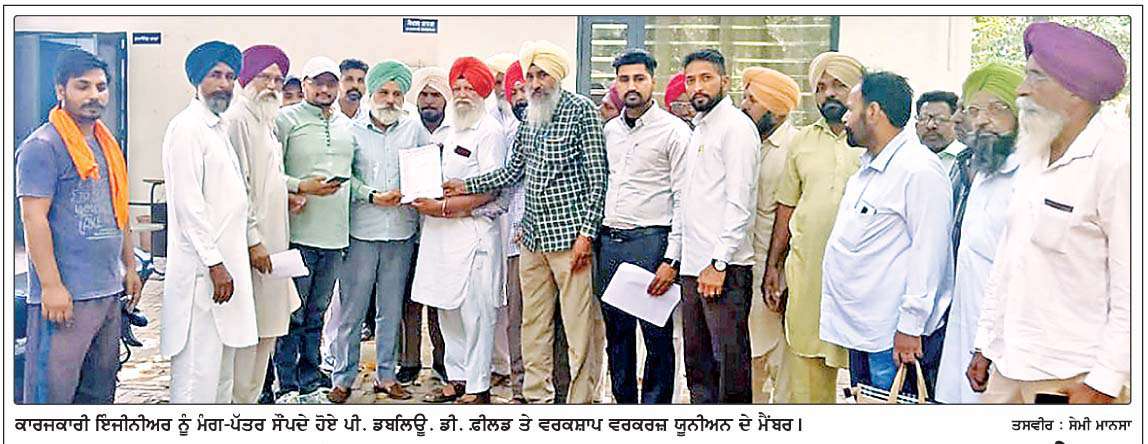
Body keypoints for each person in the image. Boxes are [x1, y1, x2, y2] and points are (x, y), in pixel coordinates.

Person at [969, 22, 1129, 404]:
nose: (1021, 89)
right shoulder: (1036, 149)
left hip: (1072, 377)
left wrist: (1105, 381)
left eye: (1035, 77)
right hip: (1008, 364)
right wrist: (985, 343)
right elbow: (1009, 257)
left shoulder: (1120, 158)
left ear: (1075, 90)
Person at [443, 40, 608, 404]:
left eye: (541, 75)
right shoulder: (531, 116)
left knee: (579, 327)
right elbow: (512, 171)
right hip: (532, 238)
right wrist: (466, 185)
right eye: (530, 76)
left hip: (570, 240)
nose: (534, 83)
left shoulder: (581, 110)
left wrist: (587, 234)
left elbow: (598, 178)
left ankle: (582, 401)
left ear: (558, 77)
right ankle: (536, 397)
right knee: (533, 325)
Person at [17, 48, 141, 404]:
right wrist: (51, 286)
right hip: (66, 298)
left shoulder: (106, 144)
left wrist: (130, 266)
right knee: (52, 399)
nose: (94, 95)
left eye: (100, 87)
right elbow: (33, 218)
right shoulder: (42, 146)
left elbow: (119, 209)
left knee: (99, 395)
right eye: (82, 86)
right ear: (61, 90)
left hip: (107, 292)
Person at [822, 71, 953, 399]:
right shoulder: (868, 168)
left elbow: (929, 254)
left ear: (873, 111)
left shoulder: (918, 170)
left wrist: (911, 326)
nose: (845, 118)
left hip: (893, 338)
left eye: (851, 109)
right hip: (863, 331)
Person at [160, 41, 258, 403]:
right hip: (203, 274)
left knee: (221, 379)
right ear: (197, 79)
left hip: (226, 272)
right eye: (215, 75)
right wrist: (215, 263)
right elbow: (189, 206)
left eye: (230, 77)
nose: (224, 84)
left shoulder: (217, 128)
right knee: (195, 381)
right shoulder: (186, 128)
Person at [763, 51, 863, 403]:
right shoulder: (801, 141)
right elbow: (786, 207)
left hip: (861, 278)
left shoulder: (873, 141)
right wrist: (773, 266)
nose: (828, 93)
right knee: (807, 370)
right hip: (809, 273)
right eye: (820, 87)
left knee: (869, 378)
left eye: (838, 85)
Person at [326, 60, 428, 404]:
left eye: (397, 94)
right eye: (384, 92)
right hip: (362, 231)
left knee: (390, 309)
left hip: (400, 231)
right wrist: (371, 195)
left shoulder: (413, 129)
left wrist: (416, 191)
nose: (390, 100)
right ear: (372, 94)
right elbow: (345, 177)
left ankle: (386, 375)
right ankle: (343, 377)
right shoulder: (351, 131)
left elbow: (426, 168)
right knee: (352, 309)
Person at [412, 57, 508, 405]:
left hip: (473, 234)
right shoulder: (449, 130)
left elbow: (492, 189)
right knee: (446, 309)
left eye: (470, 88)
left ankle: (478, 387)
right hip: (441, 235)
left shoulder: (490, 131)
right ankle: (456, 378)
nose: (463, 94)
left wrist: (443, 207)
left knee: (476, 314)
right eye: (458, 88)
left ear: (483, 92)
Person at [596, 49, 690, 404]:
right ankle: (623, 408)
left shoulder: (674, 132)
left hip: (651, 243)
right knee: (617, 338)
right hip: (610, 243)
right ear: (616, 83)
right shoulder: (609, 131)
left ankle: (655, 414)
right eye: (624, 79)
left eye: (639, 78)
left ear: (653, 81)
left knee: (657, 337)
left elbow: (683, 199)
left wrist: (672, 259)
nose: (631, 86)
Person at [933, 62, 1022, 404]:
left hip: (1009, 341)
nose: (983, 120)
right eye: (974, 110)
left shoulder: (1032, 175)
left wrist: (987, 346)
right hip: (965, 329)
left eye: (997, 108)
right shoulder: (983, 172)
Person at [677, 49, 761, 404]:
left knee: (730, 370)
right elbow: (687, 201)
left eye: (706, 78)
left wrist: (719, 263)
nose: (697, 87)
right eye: (691, 80)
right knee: (698, 368)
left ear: (724, 81)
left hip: (724, 269)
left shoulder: (736, 129)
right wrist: (677, 257)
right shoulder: (699, 129)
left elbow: (739, 203)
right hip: (693, 267)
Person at [224, 44, 302, 404]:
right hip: (251, 248)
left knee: (267, 329)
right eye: (264, 77)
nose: (271, 85)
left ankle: (250, 399)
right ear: (245, 79)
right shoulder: (238, 119)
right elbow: (237, 187)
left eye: (278, 79)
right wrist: (253, 240)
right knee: (249, 333)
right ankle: (239, 404)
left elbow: (268, 178)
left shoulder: (266, 120)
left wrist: (290, 193)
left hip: (273, 242)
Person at [274, 56, 354, 404]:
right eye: (316, 83)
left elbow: (354, 177)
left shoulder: (345, 125)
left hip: (335, 236)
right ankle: (286, 383)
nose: (324, 89)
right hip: (297, 235)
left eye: (330, 83)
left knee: (317, 313)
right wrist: (299, 187)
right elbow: (268, 174)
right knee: (292, 312)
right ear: (304, 84)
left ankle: (310, 379)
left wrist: (373, 195)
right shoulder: (285, 120)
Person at [739, 66, 801, 403]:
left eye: (752, 100)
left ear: (777, 110)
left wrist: (777, 269)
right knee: (749, 369)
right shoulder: (744, 141)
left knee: (785, 369)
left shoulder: (795, 147)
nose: (744, 105)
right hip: (744, 270)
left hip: (780, 274)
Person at [396, 66, 450, 385]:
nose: (429, 101)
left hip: (443, 227)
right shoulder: (405, 128)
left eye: (435, 95)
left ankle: (442, 361)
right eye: (424, 95)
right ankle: (409, 361)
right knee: (408, 298)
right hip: (409, 227)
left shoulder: (456, 131)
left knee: (439, 299)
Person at [915, 90, 967, 172]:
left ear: (956, 122)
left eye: (940, 119)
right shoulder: (908, 159)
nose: (930, 125)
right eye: (924, 118)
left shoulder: (967, 160)